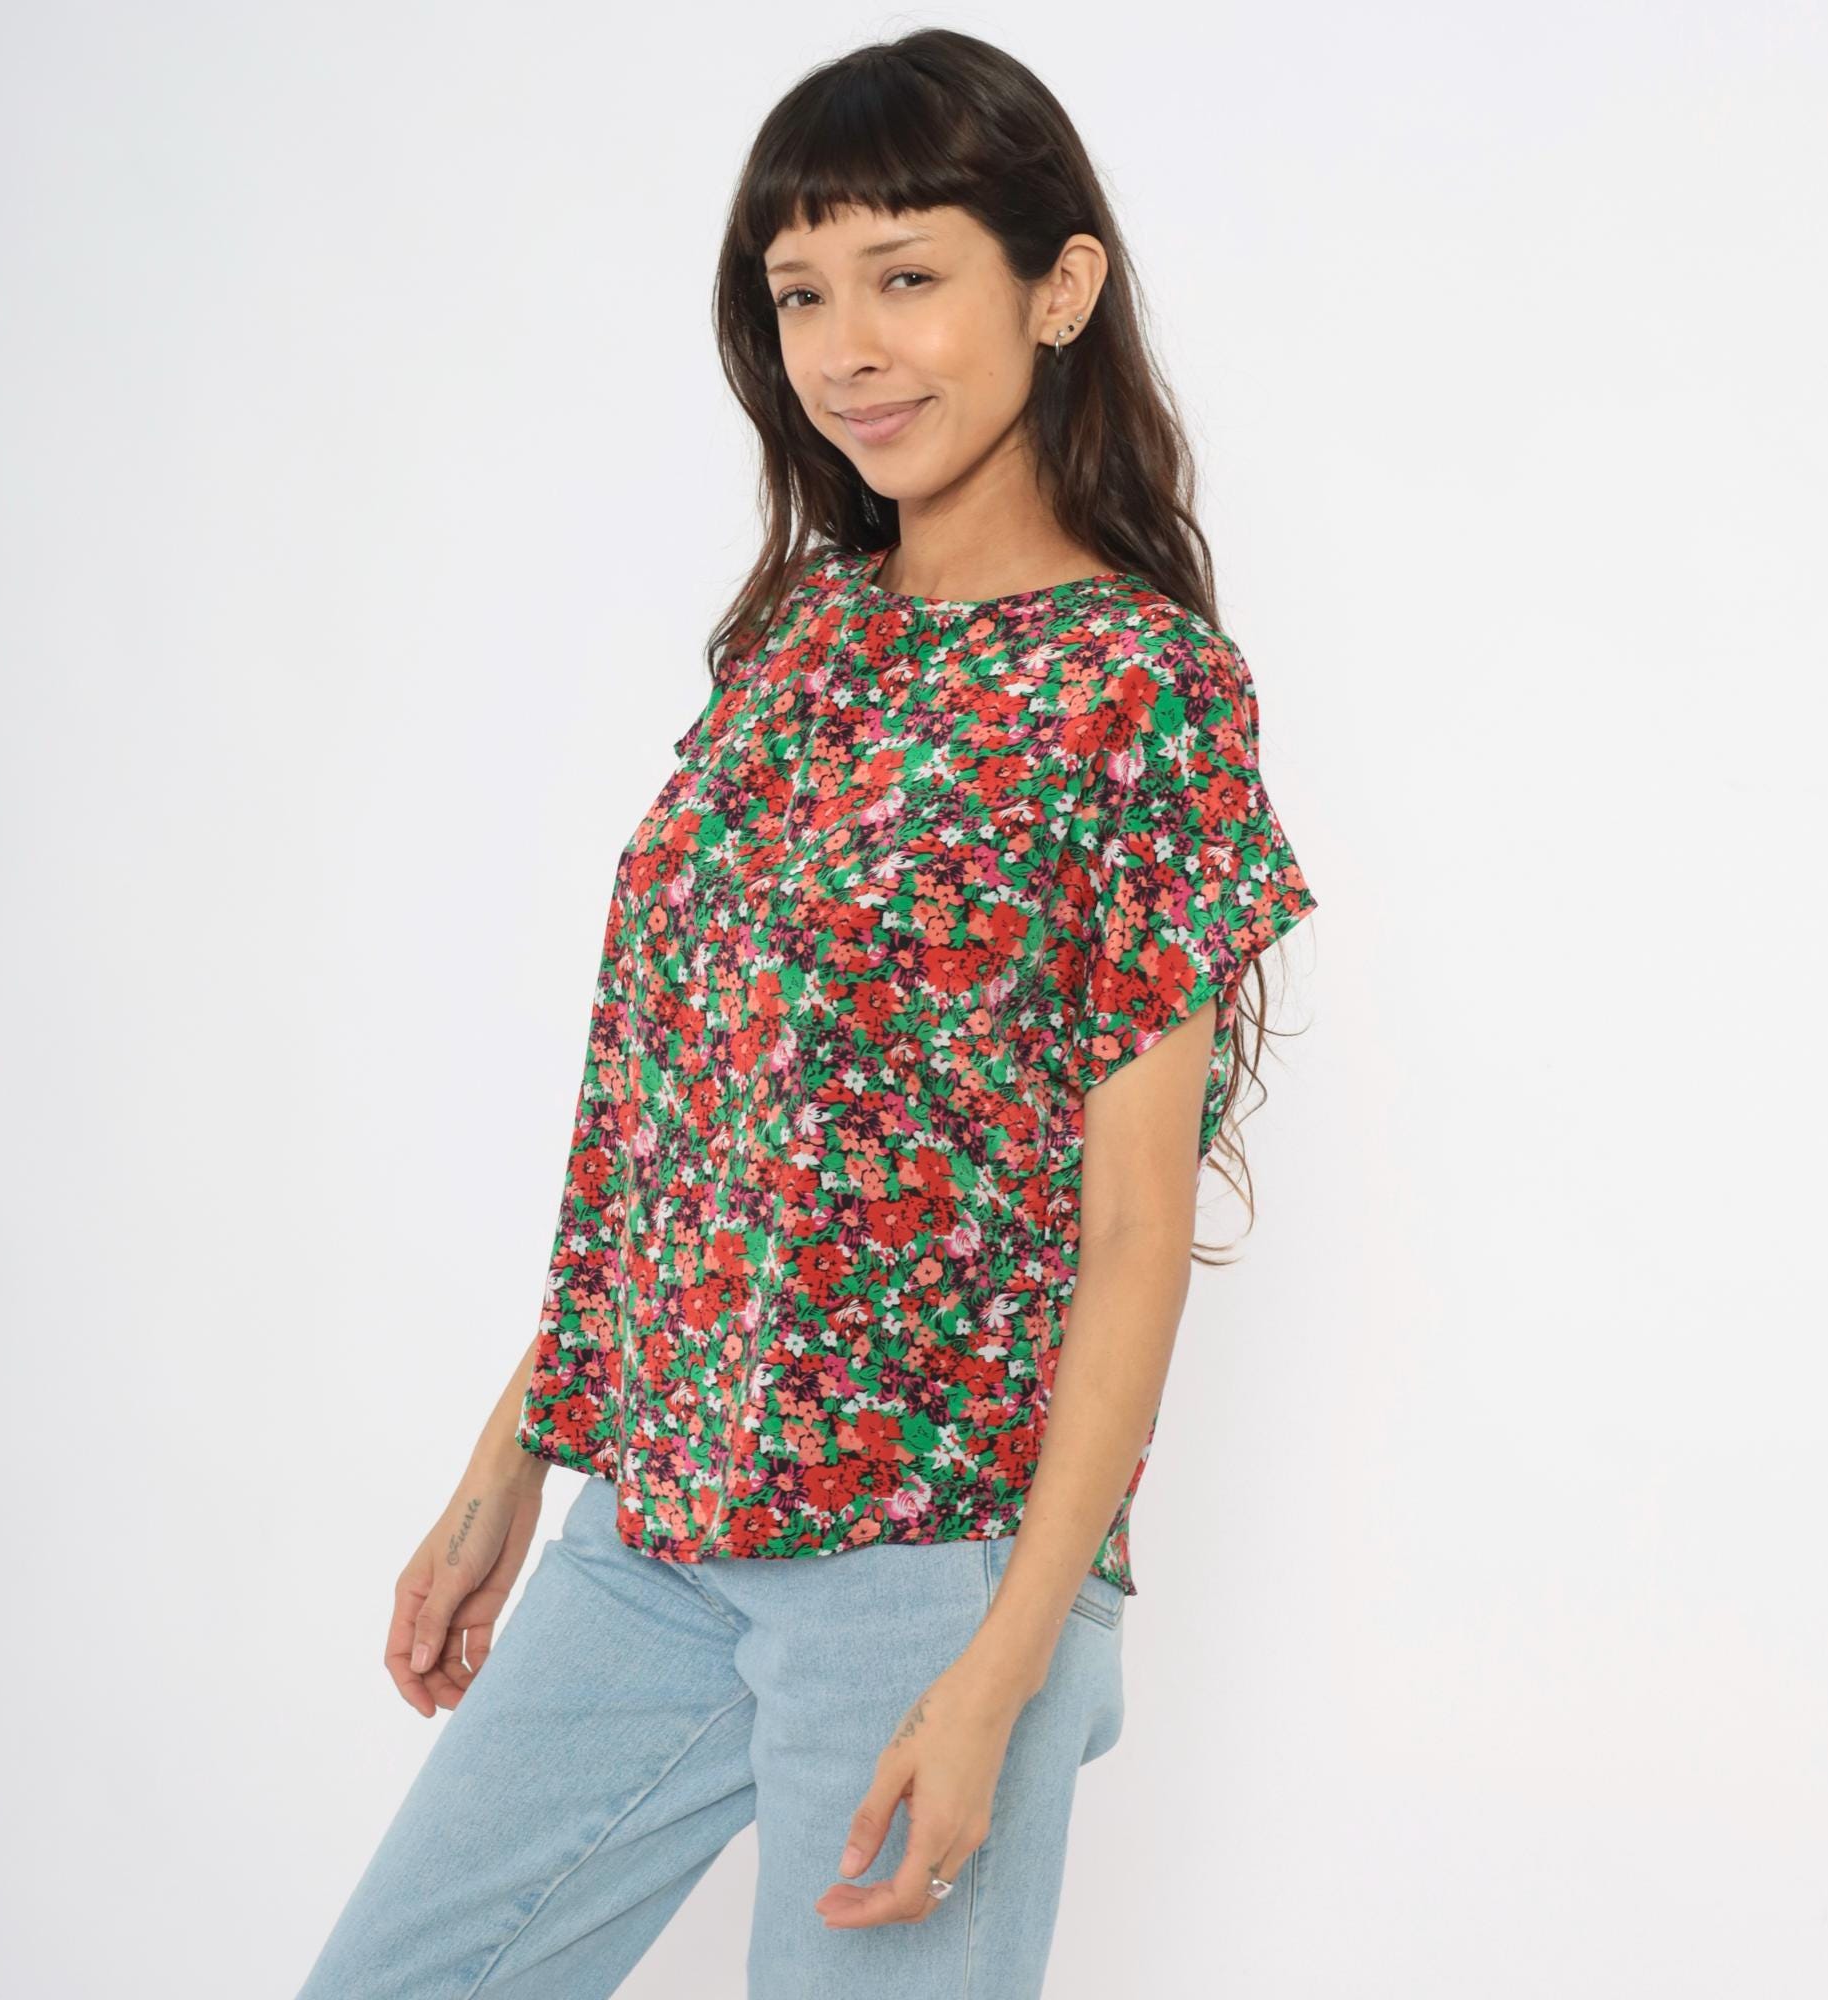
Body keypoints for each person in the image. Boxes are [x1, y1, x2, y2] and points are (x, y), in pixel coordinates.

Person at [295, 27, 1319, 2000]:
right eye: (799, 294)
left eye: (904, 276)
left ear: (1060, 286)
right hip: (657, 1516)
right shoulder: (794, 645)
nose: (847, 348)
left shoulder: (1142, 692)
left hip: (934, 1564)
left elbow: (1134, 1231)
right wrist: (517, 1452)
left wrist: (1006, 1668)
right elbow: (683, 1120)